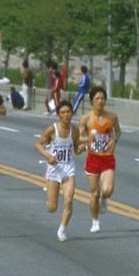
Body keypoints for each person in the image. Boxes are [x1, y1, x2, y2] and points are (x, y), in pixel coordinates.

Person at [34, 102, 85, 242]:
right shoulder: (52, 129)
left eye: (68, 112)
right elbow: (37, 144)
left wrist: (81, 149)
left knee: (69, 199)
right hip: (54, 169)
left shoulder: (74, 131)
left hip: (68, 168)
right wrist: (48, 156)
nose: (66, 115)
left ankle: (62, 229)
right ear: (58, 115)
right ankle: (49, 201)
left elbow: (75, 149)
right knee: (52, 207)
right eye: (62, 112)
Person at [78, 85, 121, 233]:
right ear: (91, 101)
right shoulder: (86, 118)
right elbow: (78, 138)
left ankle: (105, 198)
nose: (100, 101)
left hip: (107, 158)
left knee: (107, 190)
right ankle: (95, 221)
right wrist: (87, 140)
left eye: (103, 98)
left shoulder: (112, 117)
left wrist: (114, 140)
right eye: (97, 98)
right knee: (94, 193)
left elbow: (118, 132)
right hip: (93, 158)